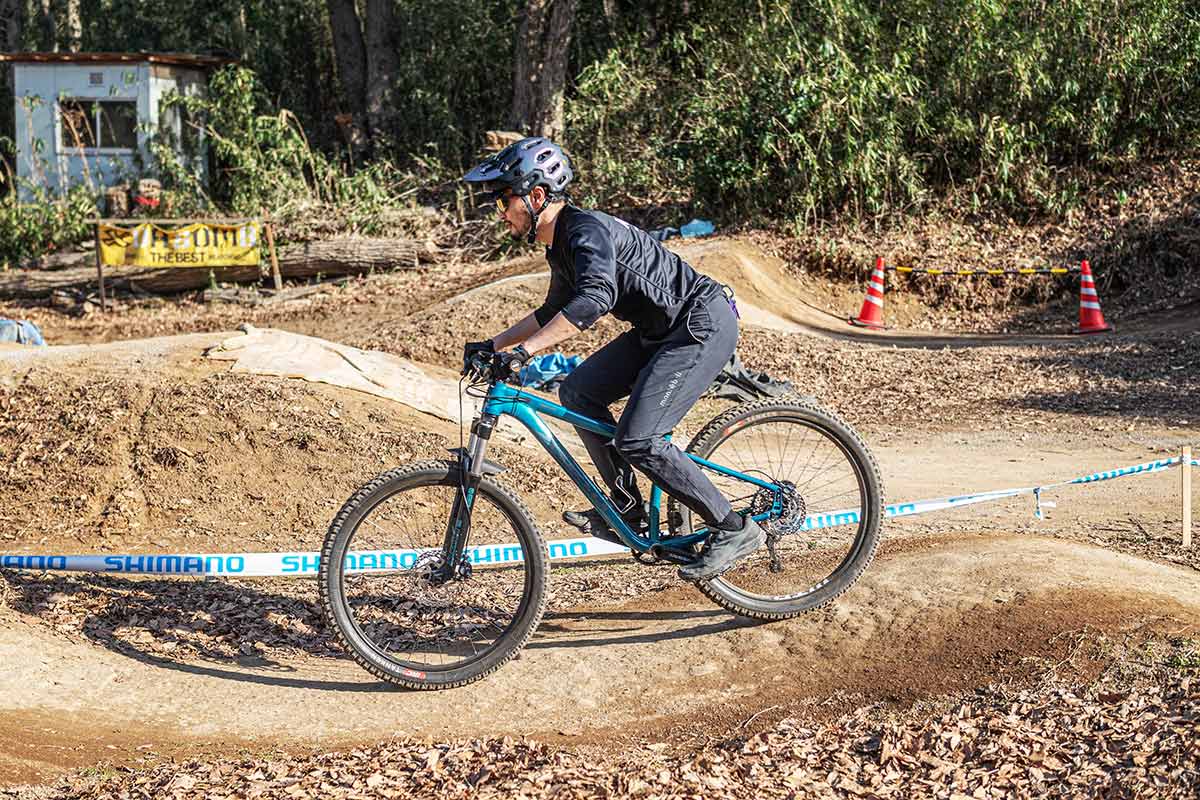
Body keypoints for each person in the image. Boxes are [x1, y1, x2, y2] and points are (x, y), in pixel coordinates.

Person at [461, 136, 763, 582]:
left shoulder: (585, 231)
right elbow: (551, 311)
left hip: (699, 325)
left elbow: (595, 298)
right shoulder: (561, 242)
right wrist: (495, 344)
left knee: (640, 439)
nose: (500, 212)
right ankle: (627, 512)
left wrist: (527, 352)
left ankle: (734, 528)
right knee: (578, 391)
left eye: (504, 199)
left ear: (537, 195)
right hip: (659, 331)